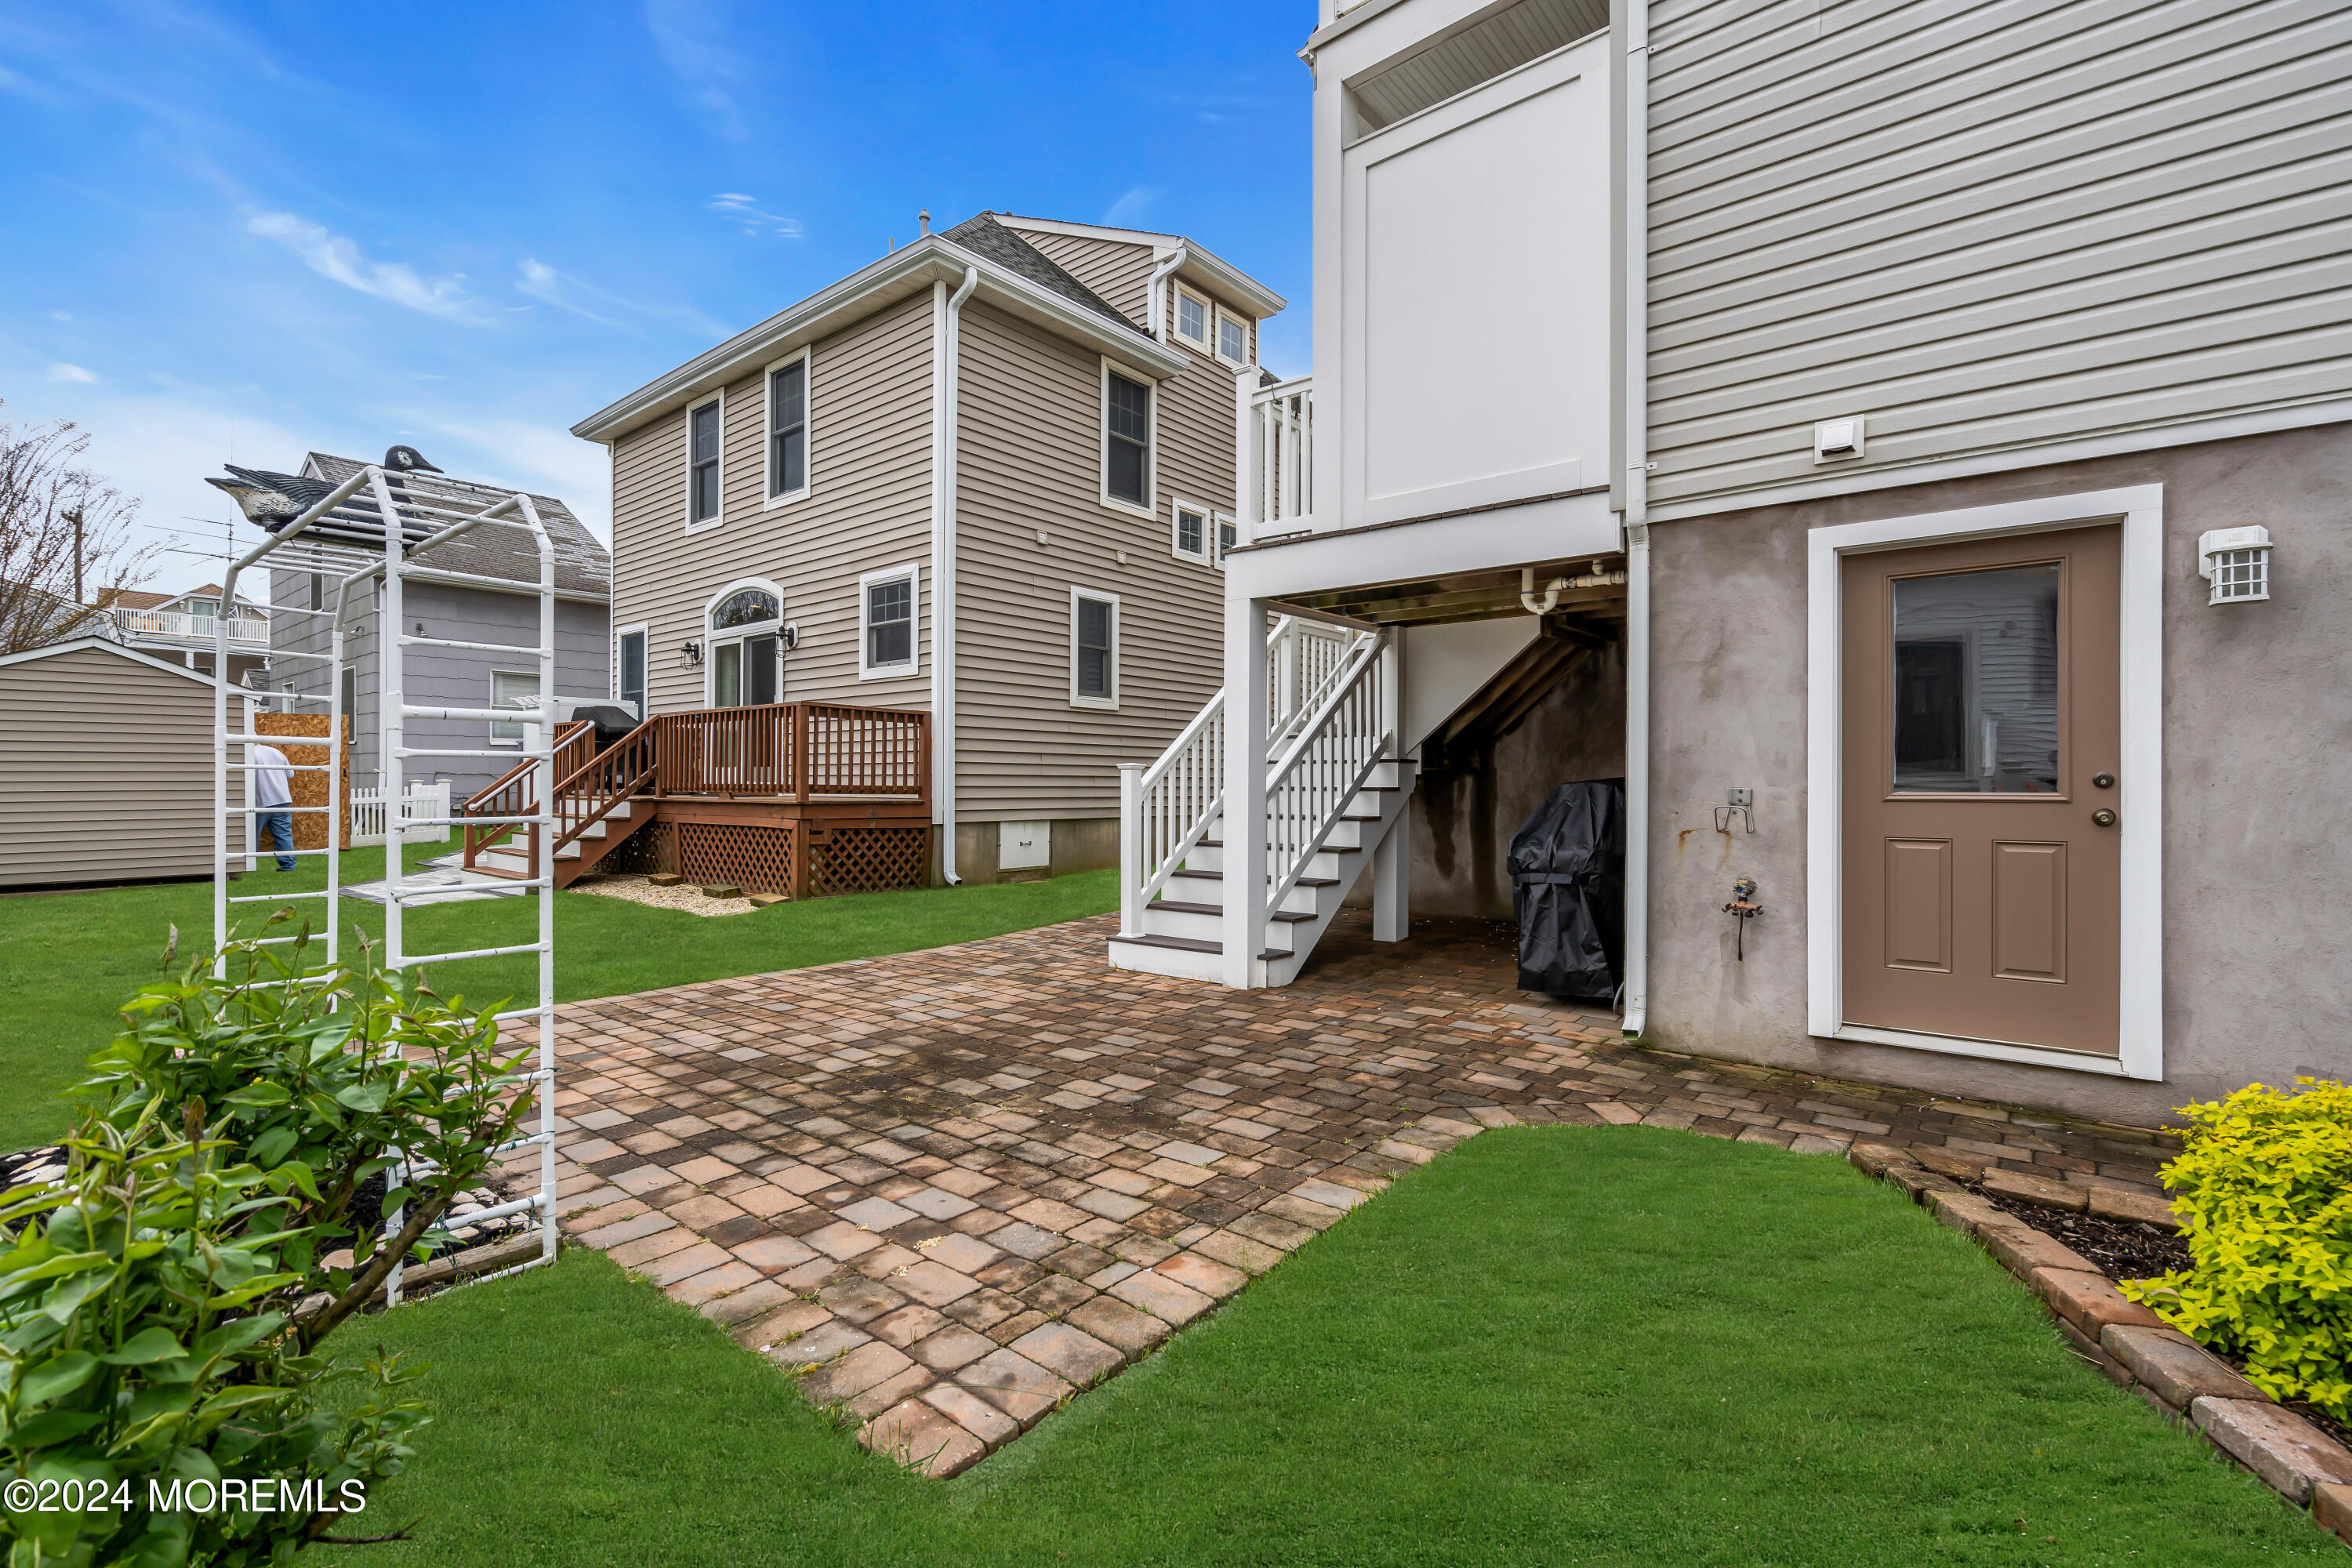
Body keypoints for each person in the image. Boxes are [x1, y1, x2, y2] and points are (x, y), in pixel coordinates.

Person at [250, 741, 297, 871]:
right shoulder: (276, 752)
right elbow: (290, 774)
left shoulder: (249, 755)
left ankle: (249, 864)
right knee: (284, 835)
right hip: (282, 800)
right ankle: (289, 866)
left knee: (251, 835)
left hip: (261, 801)